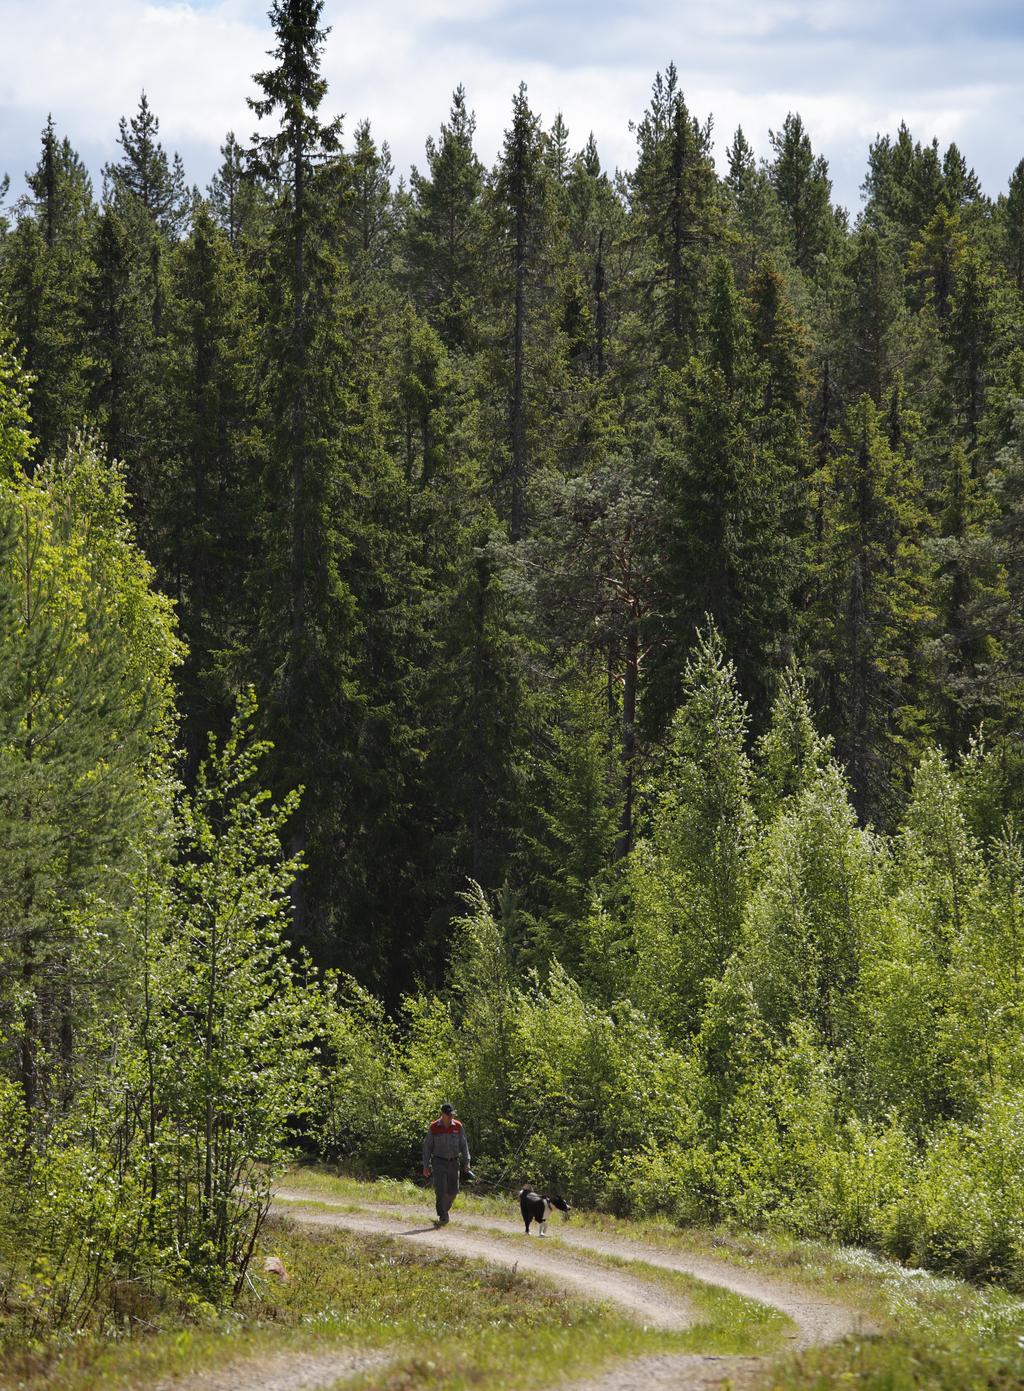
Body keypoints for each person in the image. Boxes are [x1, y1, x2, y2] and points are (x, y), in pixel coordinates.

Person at [422, 1102, 472, 1225]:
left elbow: (463, 1145)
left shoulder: (458, 1126)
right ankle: (443, 1214)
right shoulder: (434, 1127)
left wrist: (467, 1161)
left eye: (452, 1115)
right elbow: (427, 1147)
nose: (451, 1117)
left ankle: (444, 1209)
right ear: (442, 1114)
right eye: (449, 1115)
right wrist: (425, 1165)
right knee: (441, 1190)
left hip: (454, 1162)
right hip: (438, 1161)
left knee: (453, 1191)